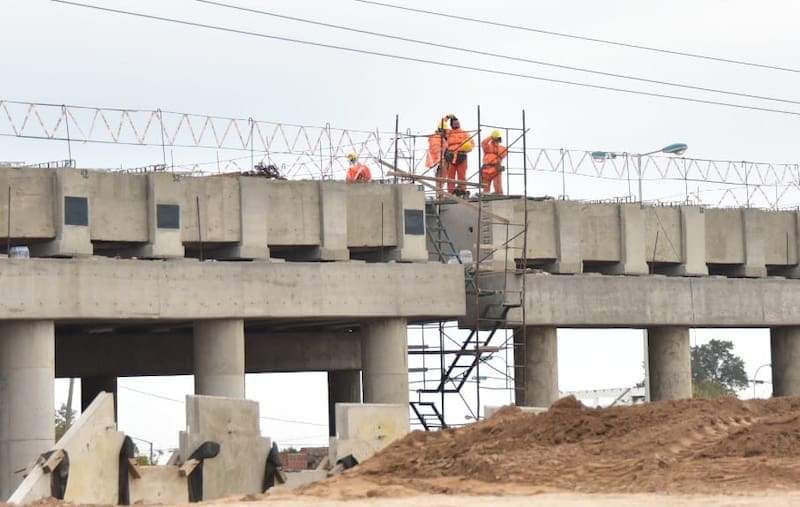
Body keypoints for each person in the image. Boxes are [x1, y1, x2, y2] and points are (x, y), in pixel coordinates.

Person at [444, 115, 474, 197]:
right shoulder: (449, 133)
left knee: (462, 174)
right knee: (450, 175)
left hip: (461, 155)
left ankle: (462, 190)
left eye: (457, 122)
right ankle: (451, 191)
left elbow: (472, 143)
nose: (457, 124)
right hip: (451, 156)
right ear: (451, 124)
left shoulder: (465, 133)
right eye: (455, 123)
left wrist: (468, 148)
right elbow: (442, 126)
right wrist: (447, 117)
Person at [480, 130, 508, 194]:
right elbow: (483, 143)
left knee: (498, 186)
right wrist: (491, 137)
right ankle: (486, 196)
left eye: (497, 139)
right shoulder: (488, 147)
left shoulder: (502, 148)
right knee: (485, 188)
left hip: (496, 169)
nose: (496, 141)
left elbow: (503, 155)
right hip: (486, 170)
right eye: (495, 139)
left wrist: (496, 148)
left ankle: (499, 195)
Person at [425, 119, 449, 192]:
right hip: (437, 161)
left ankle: (439, 193)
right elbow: (436, 150)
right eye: (445, 131)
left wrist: (447, 118)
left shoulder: (442, 137)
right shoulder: (436, 138)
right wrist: (441, 160)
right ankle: (439, 194)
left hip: (441, 160)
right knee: (440, 179)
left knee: (442, 179)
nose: (446, 133)